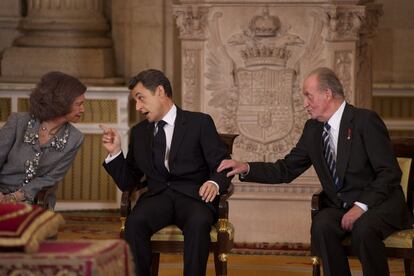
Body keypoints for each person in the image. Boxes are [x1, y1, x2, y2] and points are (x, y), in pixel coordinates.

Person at [217, 67, 413, 276]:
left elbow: (389, 173)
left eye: (309, 96)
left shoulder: (365, 121)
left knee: (363, 229)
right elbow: (285, 169)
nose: (305, 104)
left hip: (378, 204)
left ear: (327, 94)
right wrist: (246, 167)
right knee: (322, 225)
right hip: (341, 206)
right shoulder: (313, 129)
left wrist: (360, 207)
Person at [100, 69, 231, 276]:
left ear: (160, 91)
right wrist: (116, 152)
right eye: (136, 100)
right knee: (134, 223)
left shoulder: (199, 123)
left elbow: (223, 165)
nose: (138, 106)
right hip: (157, 197)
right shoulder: (139, 132)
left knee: (198, 222)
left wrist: (214, 183)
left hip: (194, 197)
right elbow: (128, 182)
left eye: (141, 98)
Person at [0, 71, 86, 207]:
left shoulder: (75, 139)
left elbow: (51, 178)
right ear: (61, 102)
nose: (83, 109)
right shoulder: (18, 122)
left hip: (33, 200)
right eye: (78, 104)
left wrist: (14, 197)